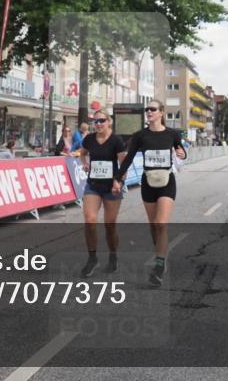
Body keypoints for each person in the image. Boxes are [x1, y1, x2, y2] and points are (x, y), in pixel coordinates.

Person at [113, 99, 186, 286]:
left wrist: (182, 154)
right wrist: (118, 179)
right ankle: (160, 254)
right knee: (154, 226)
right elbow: (128, 159)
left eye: (153, 109)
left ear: (161, 112)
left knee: (161, 223)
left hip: (167, 181)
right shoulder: (140, 136)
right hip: (148, 182)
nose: (149, 112)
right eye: (147, 109)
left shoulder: (172, 134)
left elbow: (181, 151)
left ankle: (159, 266)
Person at [77, 109, 126, 276]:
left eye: (101, 121)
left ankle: (113, 256)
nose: (98, 124)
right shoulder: (89, 139)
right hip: (93, 185)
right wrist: (84, 163)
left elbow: (124, 165)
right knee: (90, 220)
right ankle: (92, 259)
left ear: (109, 121)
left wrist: (118, 181)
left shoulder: (116, 141)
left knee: (109, 226)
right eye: (95, 121)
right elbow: (82, 153)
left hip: (111, 187)